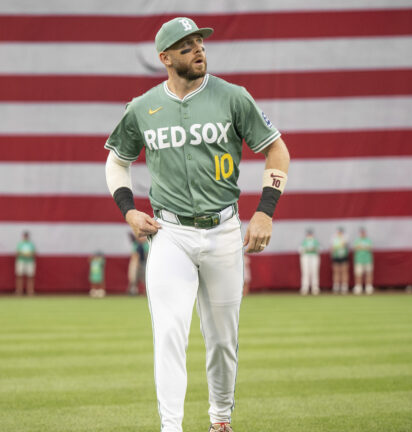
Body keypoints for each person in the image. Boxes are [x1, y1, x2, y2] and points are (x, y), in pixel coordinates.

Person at [103, 17, 290, 432]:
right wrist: (128, 208)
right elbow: (117, 159)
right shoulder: (143, 107)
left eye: (200, 43)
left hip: (224, 230)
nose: (199, 50)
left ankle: (220, 419)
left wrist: (265, 209)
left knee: (222, 341)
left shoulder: (233, 97)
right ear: (165, 58)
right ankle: (172, 428)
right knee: (169, 333)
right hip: (171, 234)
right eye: (186, 46)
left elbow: (277, 150)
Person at [352, 227, 374, 295]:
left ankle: (368, 287)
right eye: (361, 233)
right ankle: (358, 287)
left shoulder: (368, 240)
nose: (362, 234)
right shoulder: (357, 240)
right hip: (359, 260)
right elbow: (355, 248)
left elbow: (370, 248)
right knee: (358, 274)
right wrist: (363, 247)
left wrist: (361, 247)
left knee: (368, 273)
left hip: (367, 260)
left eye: (363, 232)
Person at [299, 228, 320, 295]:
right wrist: (307, 249)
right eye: (308, 234)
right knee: (305, 272)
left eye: (310, 234)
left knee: (314, 272)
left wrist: (313, 249)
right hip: (306, 257)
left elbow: (319, 249)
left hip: (314, 257)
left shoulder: (315, 241)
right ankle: (305, 287)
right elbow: (300, 250)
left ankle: (315, 287)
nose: (309, 235)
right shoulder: (304, 241)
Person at [15, 231, 37, 296]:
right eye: (25, 236)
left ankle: (30, 291)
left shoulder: (31, 244)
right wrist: (24, 254)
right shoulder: (20, 244)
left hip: (30, 262)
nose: (26, 237)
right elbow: (18, 252)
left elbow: (33, 253)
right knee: (19, 276)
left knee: (30, 276)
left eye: (27, 236)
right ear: (23, 236)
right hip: (21, 261)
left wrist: (28, 254)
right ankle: (19, 291)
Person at [331, 227, 349, 294]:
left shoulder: (345, 238)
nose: (339, 233)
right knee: (336, 272)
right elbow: (332, 248)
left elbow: (345, 245)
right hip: (336, 256)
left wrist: (339, 245)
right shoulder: (334, 239)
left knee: (344, 271)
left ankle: (344, 286)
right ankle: (336, 286)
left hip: (344, 256)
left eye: (341, 232)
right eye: (339, 232)